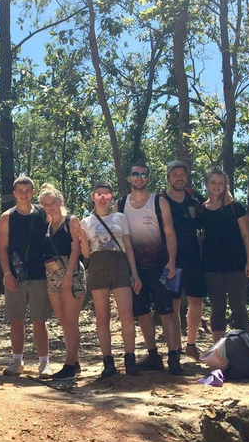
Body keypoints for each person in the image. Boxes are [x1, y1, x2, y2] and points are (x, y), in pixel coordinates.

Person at [117, 162, 183, 375]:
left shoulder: (159, 202)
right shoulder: (120, 205)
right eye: (135, 174)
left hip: (160, 266)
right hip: (135, 269)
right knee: (143, 312)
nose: (139, 178)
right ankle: (153, 355)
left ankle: (174, 357)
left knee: (167, 311)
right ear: (129, 178)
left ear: (148, 178)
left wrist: (171, 261)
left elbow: (171, 233)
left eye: (143, 174)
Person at [77, 182, 142, 380]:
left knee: (126, 314)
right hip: (97, 268)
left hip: (120, 266)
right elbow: (86, 254)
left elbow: (128, 247)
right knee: (102, 317)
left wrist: (135, 273)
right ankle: (108, 361)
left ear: (111, 197)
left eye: (106, 194)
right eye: (99, 194)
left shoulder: (120, 218)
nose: (103, 198)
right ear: (93, 197)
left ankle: (130, 358)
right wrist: (81, 237)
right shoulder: (86, 222)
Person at [0, 175, 51, 377]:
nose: (23, 194)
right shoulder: (7, 217)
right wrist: (7, 273)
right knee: (16, 319)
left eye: (27, 190)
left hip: (38, 273)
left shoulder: (42, 213)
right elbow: (2, 248)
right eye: (20, 190)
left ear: (33, 192)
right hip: (15, 275)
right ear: (14, 193)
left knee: (39, 319)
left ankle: (44, 363)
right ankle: (17, 361)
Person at [36, 184, 88, 381]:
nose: (50, 207)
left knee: (71, 321)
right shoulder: (48, 227)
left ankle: (69, 365)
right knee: (64, 321)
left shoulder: (70, 221)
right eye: (46, 204)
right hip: (51, 275)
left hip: (71, 273)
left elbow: (76, 249)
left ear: (60, 201)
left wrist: (68, 274)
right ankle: (74, 361)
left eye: (53, 202)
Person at [197, 168, 249, 341]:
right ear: (206, 184)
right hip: (211, 266)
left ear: (225, 185)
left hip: (236, 265)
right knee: (217, 308)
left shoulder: (236, 207)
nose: (217, 186)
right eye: (213, 182)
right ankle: (219, 351)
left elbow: (247, 235)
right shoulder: (202, 208)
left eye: (220, 183)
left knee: (238, 307)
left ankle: (244, 348)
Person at [163, 161, 206, 359]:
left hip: (194, 257)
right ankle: (176, 348)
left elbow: (212, 209)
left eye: (183, 173)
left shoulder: (194, 198)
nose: (179, 177)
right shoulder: (160, 200)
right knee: (173, 304)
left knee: (196, 301)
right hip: (169, 259)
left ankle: (191, 344)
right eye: (175, 174)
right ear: (168, 178)